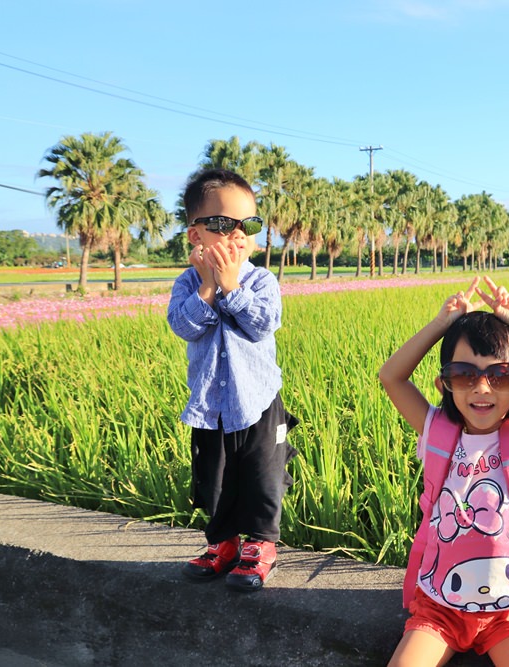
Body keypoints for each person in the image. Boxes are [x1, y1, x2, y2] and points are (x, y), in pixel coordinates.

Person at [379, 276, 509, 667]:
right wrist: (441, 324)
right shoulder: (437, 430)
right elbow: (391, 377)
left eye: (500, 375)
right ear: (444, 383)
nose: (482, 388)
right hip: (440, 605)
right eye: (464, 375)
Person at [167, 168, 298, 592]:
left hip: (258, 400)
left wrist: (230, 286)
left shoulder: (261, 279)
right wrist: (208, 287)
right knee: (214, 477)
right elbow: (183, 326)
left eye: (249, 225)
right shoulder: (187, 282)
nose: (237, 234)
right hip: (211, 404)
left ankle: (261, 545)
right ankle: (223, 542)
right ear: (195, 236)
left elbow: (263, 324)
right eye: (223, 224)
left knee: (263, 475)